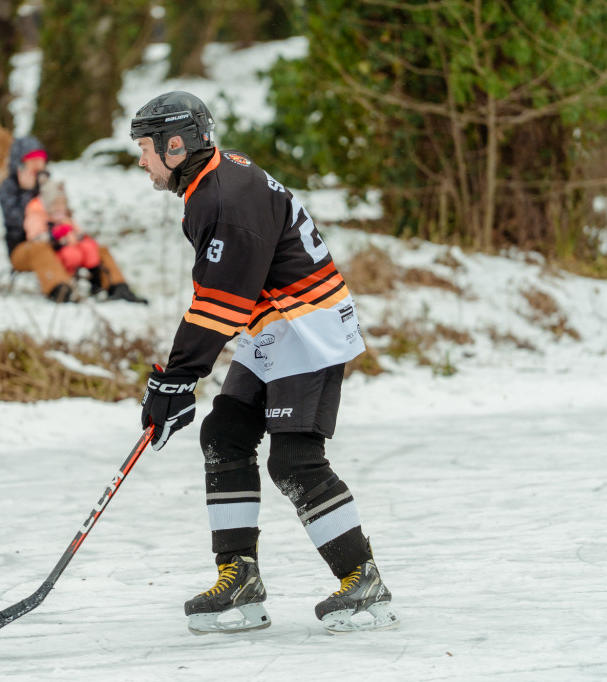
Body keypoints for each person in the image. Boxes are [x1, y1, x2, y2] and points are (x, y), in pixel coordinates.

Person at [130, 91, 399, 634]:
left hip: (308, 325)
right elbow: (225, 298)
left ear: (174, 145)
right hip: (277, 323)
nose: (141, 161)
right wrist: (176, 381)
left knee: (295, 460)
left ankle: (363, 581)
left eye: (145, 148)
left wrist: (176, 379)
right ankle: (240, 581)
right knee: (224, 434)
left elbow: (217, 305)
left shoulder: (224, 199)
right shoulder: (212, 183)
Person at [0, 136, 144, 303]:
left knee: (93, 245)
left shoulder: (49, 185)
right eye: (33, 163)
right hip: (24, 247)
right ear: (20, 164)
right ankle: (62, 291)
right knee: (40, 249)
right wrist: (28, 191)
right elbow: (14, 221)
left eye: (41, 162)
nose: (38, 168)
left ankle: (117, 287)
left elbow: (63, 213)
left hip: (57, 241)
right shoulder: (9, 188)